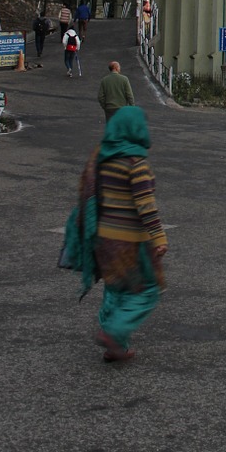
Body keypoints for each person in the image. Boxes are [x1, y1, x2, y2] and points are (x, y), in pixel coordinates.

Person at [67, 106, 167, 363]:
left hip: (103, 240)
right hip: (130, 242)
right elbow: (145, 204)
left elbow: (90, 197)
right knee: (146, 291)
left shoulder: (102, 159)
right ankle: (115, 332)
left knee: (115, 289)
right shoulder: (136, 163)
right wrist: (158, 236)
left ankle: (116, 347)